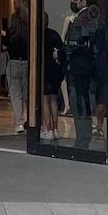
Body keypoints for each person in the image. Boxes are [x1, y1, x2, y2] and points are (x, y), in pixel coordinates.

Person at [5, 0, 29, 132]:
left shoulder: (13, 22)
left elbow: (7, 41)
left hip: (13, 61)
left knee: (15, 94)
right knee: (27, 94)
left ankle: (19, 122)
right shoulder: (29, 22)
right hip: (27, 61)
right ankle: (29, 119)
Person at [41, 12, 65, 141]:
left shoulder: (40, 35)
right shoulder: (54, 34)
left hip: (45, 69)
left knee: (45, 100)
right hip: (56, 70)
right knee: (54, 98)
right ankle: (55, 128)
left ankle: (48, 128)